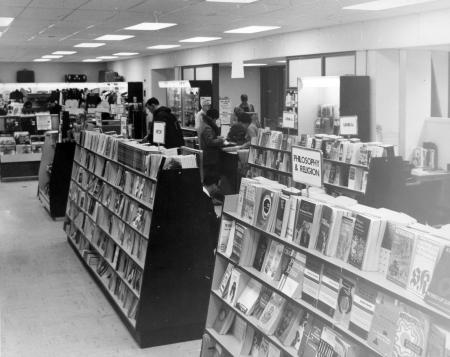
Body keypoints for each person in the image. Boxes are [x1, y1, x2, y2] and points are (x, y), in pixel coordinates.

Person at [198, 108, 224, 177]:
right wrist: (221, 140)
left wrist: (216, 138)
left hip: (206, 156)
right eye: (215, 119)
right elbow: (210, 142)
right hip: (209, 157)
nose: (215, 121)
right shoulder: (207, 127)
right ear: (213, 118)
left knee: (206, 176)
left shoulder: (203, 124)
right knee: (210, 177)